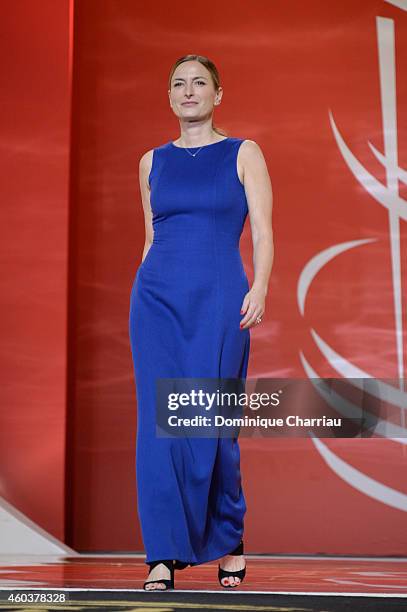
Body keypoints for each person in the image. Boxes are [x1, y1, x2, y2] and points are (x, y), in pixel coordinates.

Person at [128, 54, 273, 591]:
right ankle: (161, 553)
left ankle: (227, 538)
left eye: (199, 84)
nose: (188, 92)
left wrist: (259, 284)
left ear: (218, 94)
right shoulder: (151, 162)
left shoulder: (244, 153)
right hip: (157, 302)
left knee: (213, 424)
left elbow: (261, 228)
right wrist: (142, 290)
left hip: (220, 300)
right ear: (169, 97)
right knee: (159, 427)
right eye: (178, 85)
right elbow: (150, 239)